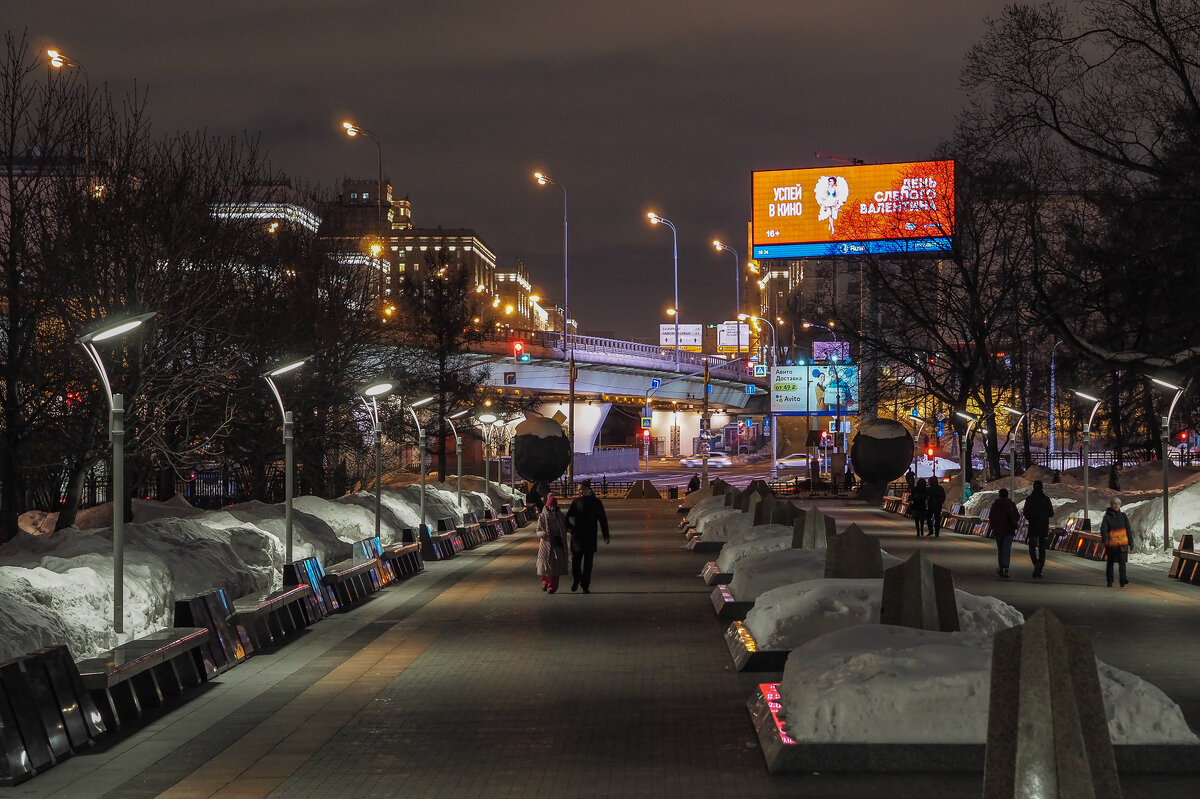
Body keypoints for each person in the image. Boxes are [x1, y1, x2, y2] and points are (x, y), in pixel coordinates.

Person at [565, 478, 610, 593]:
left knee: (588, 564)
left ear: (588, 490)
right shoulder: (576, 502)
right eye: (578, 490)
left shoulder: (596, 503)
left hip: (590, 538)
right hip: (577, 538)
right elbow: (568, 518)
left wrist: (606, 535)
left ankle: (585, 585)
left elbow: (602, 520)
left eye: (581, 490)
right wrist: (571, 530)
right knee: (575, 564)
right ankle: (577, 579)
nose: (579, 492)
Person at [535, 494, 568, 593]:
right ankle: (545, 582)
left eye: (553, 506)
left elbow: (565, 527)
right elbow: (537, 530)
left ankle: (552, 587)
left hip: (558, 544)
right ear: (547, 506)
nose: (552, 508)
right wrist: (542, 534)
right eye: (550, 506)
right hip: (546, 544)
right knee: (545, 566)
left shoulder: (561, 516)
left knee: (555, 567)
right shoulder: (542, 516)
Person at [1022, 480, 1055, 578]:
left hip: (1033, 527)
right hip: (1043, 527)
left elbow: (1026, 512)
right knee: (1042, 548)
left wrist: (1032, 517)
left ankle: (1036, 563)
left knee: (1032, 547)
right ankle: (1040, 566)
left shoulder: (1030, 499)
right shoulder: (1046, 499)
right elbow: (1051, 513)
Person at [989, 487, 1021, 578]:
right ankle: (1006, 568)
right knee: (1006, 549)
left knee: (1000, 549)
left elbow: (992, 516)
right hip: (1009, 530)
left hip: (998, 530)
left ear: (999, 495)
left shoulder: (995, 505)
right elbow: (1017, 516)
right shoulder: (1011, 504)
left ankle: (1001, 568)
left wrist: (993, 527)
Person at [1100, 497, 1131, 588]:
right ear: (1111, 505)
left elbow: (1128, 529)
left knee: (1122, 563)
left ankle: (1123, 580)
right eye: (1115, 503)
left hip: (1122, 544)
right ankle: (1110, 580)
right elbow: (1103, 529)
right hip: (1112, 544)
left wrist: (1130, 540)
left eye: (1118, 504)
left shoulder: (1123, 516)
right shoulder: (1107, 517)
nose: (1117, 505)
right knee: (1110, 563)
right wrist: (1105, 539)